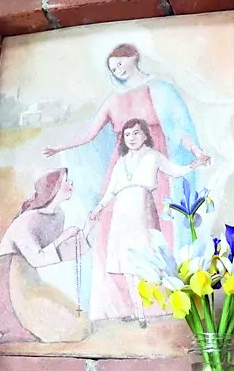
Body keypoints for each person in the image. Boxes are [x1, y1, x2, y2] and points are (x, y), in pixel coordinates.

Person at [43, 44, 210, 320]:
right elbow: (89, 134)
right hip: (121, 170)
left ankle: (162, 304)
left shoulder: (159, 89)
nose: (117, 70)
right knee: (115, 240)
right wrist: (60, 147)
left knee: (156, 235)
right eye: (113, 68)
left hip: (153, 167)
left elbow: (180, 128)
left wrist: (196, 152)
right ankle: (122, 307)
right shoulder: (112, 100)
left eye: (120, 63)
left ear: (133, 57)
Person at [89, 118, 207, 326]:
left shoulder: (153, 156)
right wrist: (98, 209)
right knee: (125, 262)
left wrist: (194, 164)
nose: (131, 138)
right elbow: (110, 191)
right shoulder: (121, 162)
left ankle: (143, 310)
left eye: (136, 133)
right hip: (121, 213)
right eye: (127, 134)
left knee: (141, 260)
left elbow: (175, 171)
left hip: (142, 210)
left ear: (145, 135)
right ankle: (138, 311)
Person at [0, 168, 91, 351]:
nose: (71, 183)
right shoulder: (27, 220)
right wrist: (62, 238)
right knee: (70, 329)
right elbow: (38, 258)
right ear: (54, 188)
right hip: (11, 282)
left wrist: (87, 229)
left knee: (82, 323)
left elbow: (56, 252)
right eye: (66, 180)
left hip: (31, 279)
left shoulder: (58, 215)